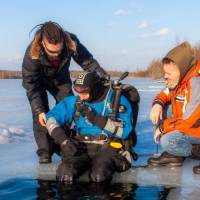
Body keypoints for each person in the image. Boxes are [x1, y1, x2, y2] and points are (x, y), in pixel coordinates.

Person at [22, 21, 108, 164]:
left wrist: (104, 79)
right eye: (52, 52)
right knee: (41, 116)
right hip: (38, 83)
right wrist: (38, 110)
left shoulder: (70, 41)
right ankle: (45, 153)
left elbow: (88, 63)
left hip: (61, 80)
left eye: (59, 51)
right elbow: (31, 85)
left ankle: (64, 144)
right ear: (43, 43)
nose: (56, 55)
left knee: (68, 109)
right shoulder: (32, 53)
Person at [46, 71, 138, 183]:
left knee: (99, 175)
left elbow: (125, 132)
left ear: (94, 88)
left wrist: (96, 119)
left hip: (109, 146)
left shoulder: (116, 100)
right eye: (77, 91)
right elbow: (51, 118)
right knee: (65, 174)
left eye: (84, 91)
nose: (81, 96)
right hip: (82, 146)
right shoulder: (75, 102)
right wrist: (63, 140)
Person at [148, 42, 200, 172]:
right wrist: (158, 104)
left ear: (181, 70)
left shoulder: (196, 83)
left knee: (168, 141)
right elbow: (165, 93)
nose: (165, 76)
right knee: (163, 108)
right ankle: (175, 155)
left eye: (169, 73)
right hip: (186, 127)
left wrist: (163, 127)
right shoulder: (179, 81)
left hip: (195, 128)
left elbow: (190, 121)